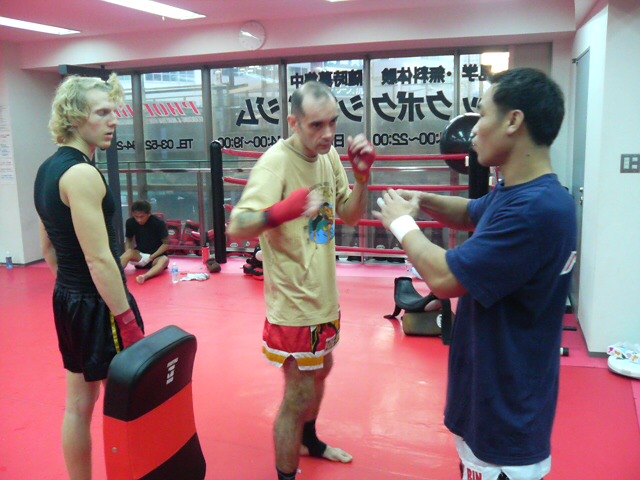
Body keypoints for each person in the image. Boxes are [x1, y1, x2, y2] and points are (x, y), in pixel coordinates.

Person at [374, 68, 577, 480]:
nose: (473, 130)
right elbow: (470, 212)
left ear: (513, 121)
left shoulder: (535, 210)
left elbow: (445, 280)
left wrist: (401, 224)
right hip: (490, 394)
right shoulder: (517, 192)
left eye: (482, 114)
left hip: (507, 416)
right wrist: (422, 199)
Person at [227, 80, 376, 480]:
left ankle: (309, 441)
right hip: (293, 303)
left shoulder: (328, 156)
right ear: (293, 123)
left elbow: (349, 215)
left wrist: (362, 178)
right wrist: (279, 212)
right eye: (316, 125)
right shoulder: (275, 163)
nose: (328, 134)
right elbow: (236, 226)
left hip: (324, 295)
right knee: (298, 394)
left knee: (322, 370)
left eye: (333, 123)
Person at [34, 73, 145, 480]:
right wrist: (126, 320)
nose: (113, 120)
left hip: (69, 297)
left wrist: (71, 291)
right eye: (102, 113)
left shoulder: (47, 169)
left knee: (78, 407)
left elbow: (49, 248)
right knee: (128, 403)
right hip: (101, 303)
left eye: (113, 111)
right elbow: (100, 259)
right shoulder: (82, 174)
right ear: (75, 117)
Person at [120, 199, 170, 284]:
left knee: (164, 260)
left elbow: (166, 244)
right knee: (128, 253)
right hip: (140, 255)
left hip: (155, 257)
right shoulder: (130, 222)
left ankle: (144, 276)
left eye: (141, 217)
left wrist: (151, 257)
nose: (139, 220)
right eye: (136, 217)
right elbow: (128, 239)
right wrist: (128, 251)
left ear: (149, 214)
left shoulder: (158, 223)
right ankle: (115, 274)